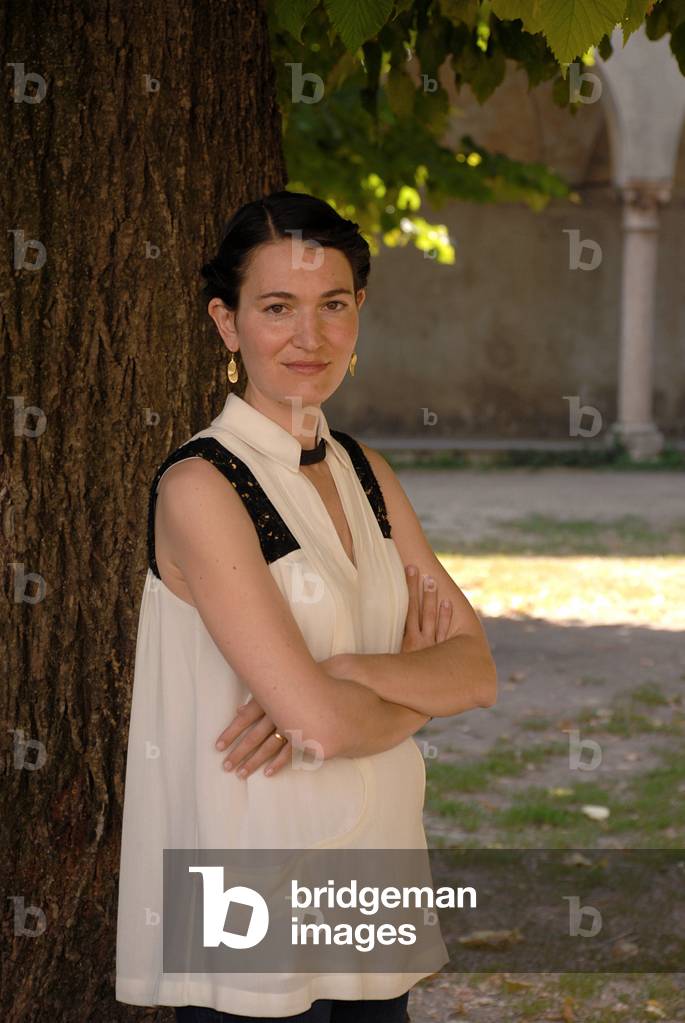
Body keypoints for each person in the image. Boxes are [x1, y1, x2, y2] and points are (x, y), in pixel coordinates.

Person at [115, 190, 497, 1022]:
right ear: (228, 322)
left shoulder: (367, 471)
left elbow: (476, 669)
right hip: (250, 889)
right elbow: (323, 727)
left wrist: (343, 674)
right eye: (277, 307)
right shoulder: (200, 485)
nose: (308, 337)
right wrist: (406, 685)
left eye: (332, 306)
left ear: (358, 310)